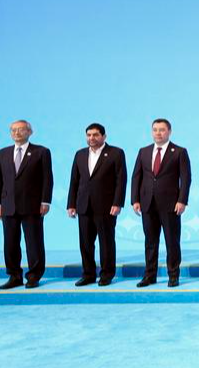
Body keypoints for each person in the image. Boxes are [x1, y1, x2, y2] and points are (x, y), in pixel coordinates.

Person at [131, 118, 191, 288]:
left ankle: (173, 275)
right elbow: (137, 176)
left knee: (172, 241)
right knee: (150, 242)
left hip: (171, 204)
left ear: (169, 132)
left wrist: (182, 201)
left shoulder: (179, 151)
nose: (158, 133)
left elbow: (186, 179)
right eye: (155, 130)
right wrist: (135, 199)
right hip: (147, 203)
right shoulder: (143, 151)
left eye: (162, 130)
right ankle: (149, 276)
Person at [0, 120, 53, 289]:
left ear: (30, 132)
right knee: (10, 243)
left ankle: (34, 276)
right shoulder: (1, 153)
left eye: (20, 129)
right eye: (13, 130)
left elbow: (47, 179)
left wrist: (45, 201)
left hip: (33, 204)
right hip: (8, 205)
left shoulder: (41, 152)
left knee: (33, 242)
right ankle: (14, 276)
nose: (17, 133)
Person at [66, 123, 127, 287]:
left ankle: (107, 274)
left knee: (106, 242)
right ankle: (88, 274)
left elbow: (121, 180)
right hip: (83, 206)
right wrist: (71, 204)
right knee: (85, 243)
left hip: (106, 206)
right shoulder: (80, 154)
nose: (91, 138)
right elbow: (74, 181)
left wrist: (118, 203)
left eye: (95, 135)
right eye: (89, 135)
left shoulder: (116, 153)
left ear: (104, 137)